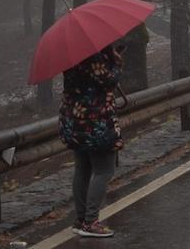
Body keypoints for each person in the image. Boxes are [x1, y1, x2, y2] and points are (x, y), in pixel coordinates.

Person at [59, 44, 128, 238]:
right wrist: (116, 62)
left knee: (82, 168)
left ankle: (81, 219)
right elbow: (110, 80)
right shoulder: (96, 58)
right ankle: (90, 221)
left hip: (74, 122)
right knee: (104, 170)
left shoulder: (71, 56)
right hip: (96, 123)